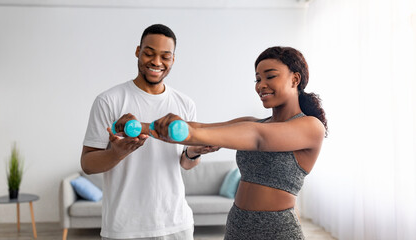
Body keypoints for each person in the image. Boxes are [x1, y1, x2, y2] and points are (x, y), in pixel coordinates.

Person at [150, 46, 328, 239]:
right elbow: (203, 126)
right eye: (258, 79)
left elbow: (259, 138)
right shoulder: (253, 122)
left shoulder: (311, 126)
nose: (261, 85)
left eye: (270, 76)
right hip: (237, 224)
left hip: (277, 230)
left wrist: (189, 132)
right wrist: (141, 127)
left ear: (295, 79)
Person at [81, 24, 219, 240]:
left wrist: (194, 152)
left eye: (165, 56)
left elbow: (186, 163)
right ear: (138, 51)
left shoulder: (185, 104)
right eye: (149, 53)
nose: (156, 62)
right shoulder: (109, 101)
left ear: (173, 59)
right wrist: (116, 153)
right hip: (124, 228)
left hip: (176, 225)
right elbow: (87, 165)